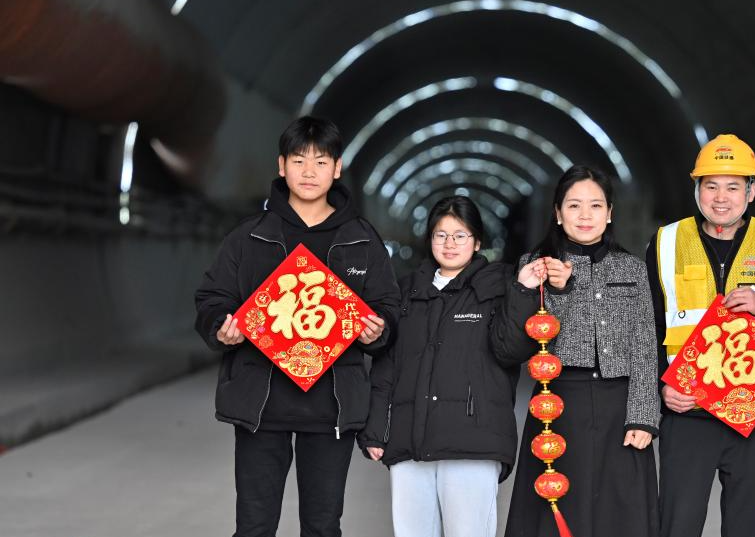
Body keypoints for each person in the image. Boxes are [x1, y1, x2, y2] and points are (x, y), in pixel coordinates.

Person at [194, 116, 401, 537]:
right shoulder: (249, 236)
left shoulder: (361, 238)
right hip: (260, 404)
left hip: (333, 407)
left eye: (321, 161)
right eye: (299, 160)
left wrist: (379, 331)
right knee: (253, 526)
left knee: (323, 526)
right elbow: (212, 298)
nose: (309, 172)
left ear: (338, 168)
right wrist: (221, 327)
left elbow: (388, 307)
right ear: (281, 166)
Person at [646, 134, 755, 537]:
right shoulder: (667, 242)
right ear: (696, 189)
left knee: (745, 528)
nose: (720, 198)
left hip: (753, 420)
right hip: (687, 416)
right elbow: (646, 327)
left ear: (752, 191)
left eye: (732, 187)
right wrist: (661, 385)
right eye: (710, 186)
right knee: (677, 526)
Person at [357, 195, 539, 537]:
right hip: (410, 442)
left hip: (473, 442)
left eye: (460, 235)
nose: (450, 244)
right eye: (441, 235)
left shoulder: (500, 288)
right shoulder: (407, 291)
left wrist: (523, 292)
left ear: (478, 241)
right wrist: (375, 428)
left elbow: (511, 350)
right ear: (430, 239)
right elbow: (387, 366)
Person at [504, 165, 661, 537]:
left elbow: (644, 344)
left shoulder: (632, 269)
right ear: (558, 213)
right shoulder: (534, 266)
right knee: (556, 512)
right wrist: (557, 290)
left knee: (619, 514)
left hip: (619, 407)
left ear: (610, 213)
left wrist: (642, 417)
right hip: (557, 403)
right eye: (574, 206)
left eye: (595, 205)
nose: (585, 215)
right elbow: (522, 342)